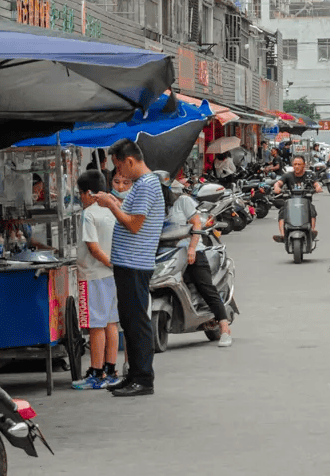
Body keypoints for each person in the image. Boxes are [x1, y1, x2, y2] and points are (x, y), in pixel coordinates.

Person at [95, 139, 166, 397]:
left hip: (136, 263)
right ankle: (134, 375)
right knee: (129, 319)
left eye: (119, 166)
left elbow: (134, 224)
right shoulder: (142, 186)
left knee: (137, 322)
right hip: (128, 262)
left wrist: (112, 205)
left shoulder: (146, 184)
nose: (119, 173)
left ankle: (144, 379)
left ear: (130, 161)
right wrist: (112, 201)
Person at [159, 170, 232, 346]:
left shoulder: (182, 201)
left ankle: (224, 328)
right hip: (165, 254)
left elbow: (197, 223)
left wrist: (192, 248)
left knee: (205, 285)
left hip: (190, 250)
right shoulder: (152, 209)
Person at [72, 171, 121, 389]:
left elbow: (92, 247)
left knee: (96, 326)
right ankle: (111, 369)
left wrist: (109, 263)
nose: (81, 198)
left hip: (93, 275)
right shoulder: (113, 209)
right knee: (111, 323)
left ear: (88, 193)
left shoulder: (89, 214)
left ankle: (96, 373)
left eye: (80, 194)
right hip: (112, 276)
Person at [273, 154, 323, 246]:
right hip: (290, 202)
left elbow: (316, 184)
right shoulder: (288, 175)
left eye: (299, 164)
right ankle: (283, 235)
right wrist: (277, 187)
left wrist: (318, 187)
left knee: (312, 210)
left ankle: (311, 231)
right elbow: (278, 183)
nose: (296, 166)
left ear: (304, 165)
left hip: (305, 202)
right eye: (295, 164)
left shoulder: (310, 175)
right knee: (282, 212)